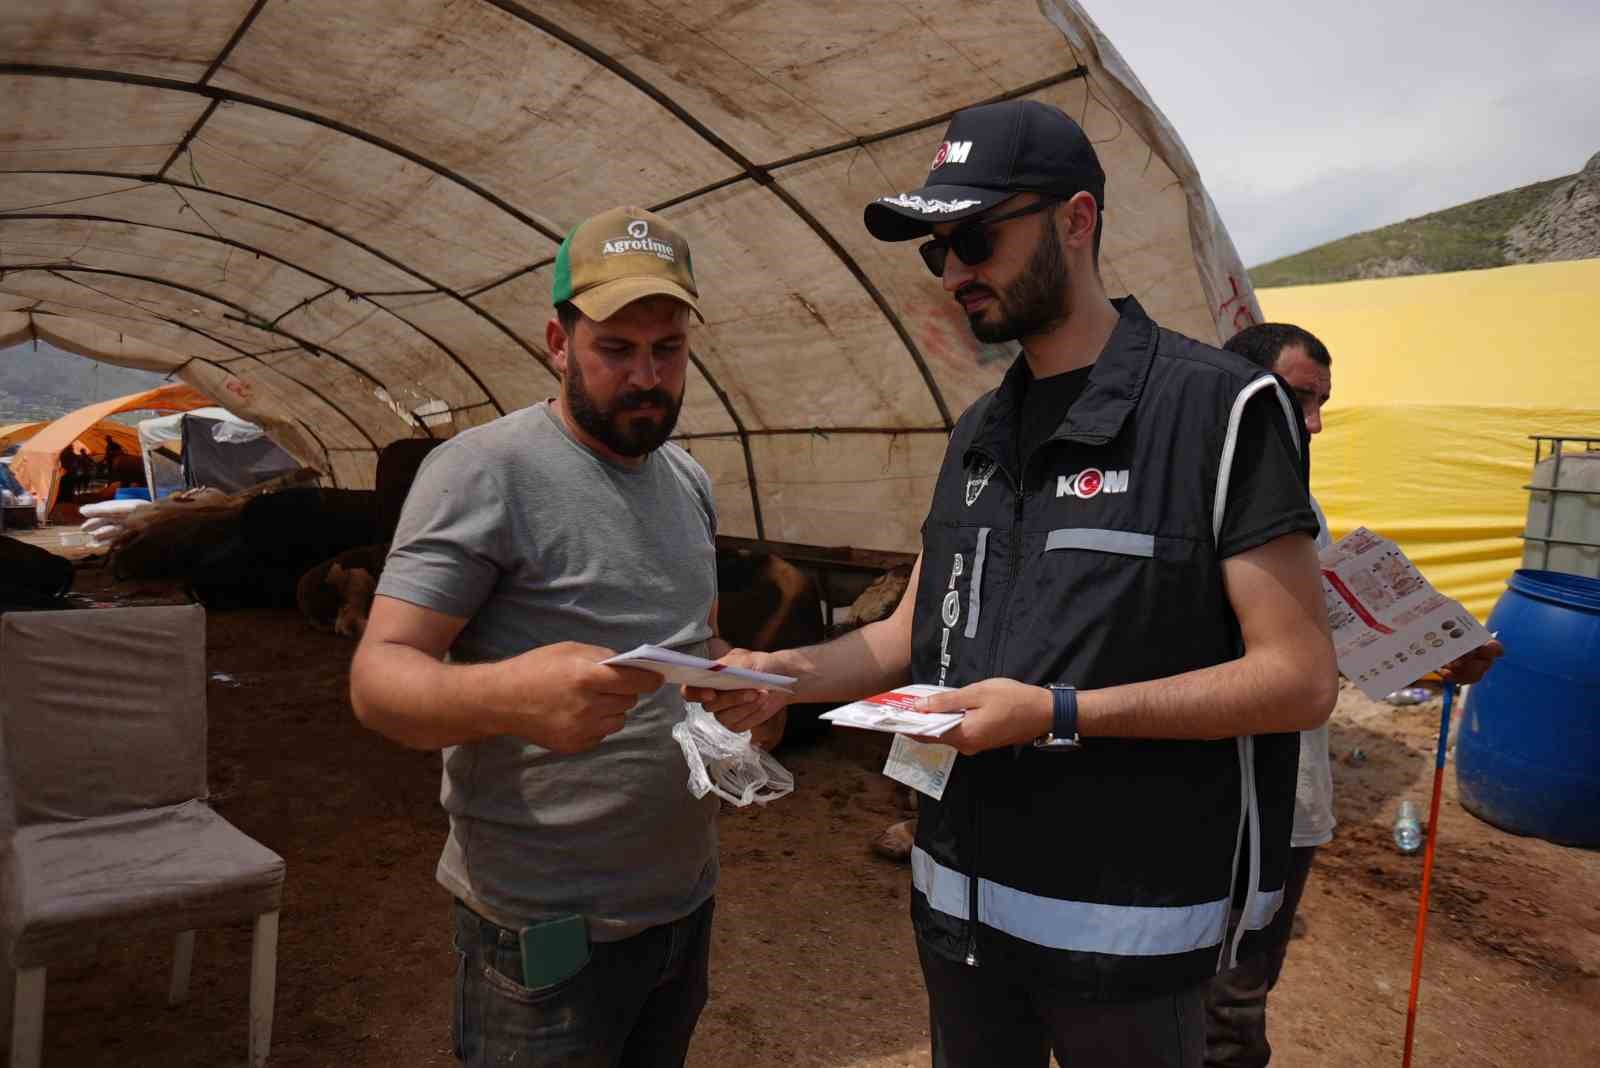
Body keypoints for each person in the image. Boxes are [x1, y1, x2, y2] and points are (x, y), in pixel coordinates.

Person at [693, 99, 1338, 1067]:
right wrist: (774, 674)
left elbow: (1295, 679)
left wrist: (1057, 712)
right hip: (958, 906)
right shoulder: (978, 433)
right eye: (936, 251)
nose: (954, 272)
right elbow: (911, 634)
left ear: (1076, 221)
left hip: (1126, 930)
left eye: (976, 239)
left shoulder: (1218, 410)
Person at [351, 206, 747, 1068]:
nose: (647, 376)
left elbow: (699, 648)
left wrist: (743, 697)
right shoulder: (485, 471)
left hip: (682, 904)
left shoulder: (687, 479)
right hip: (543, 930)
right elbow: (378, 680)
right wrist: (509, 697)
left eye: (668, 349)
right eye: (616, 348)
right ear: (557, 342)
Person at [1202, 322, 1504, 1067]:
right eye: (1301, 399)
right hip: (1218, 797)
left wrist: (1431, 654)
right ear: (1238, 391)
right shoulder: (1185, 500)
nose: (1316, 424)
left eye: (1322, 404)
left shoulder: (1301, 508)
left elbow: (1321, 644)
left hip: (1292, 796)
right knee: (1210, 1006)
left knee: (1248, 984)